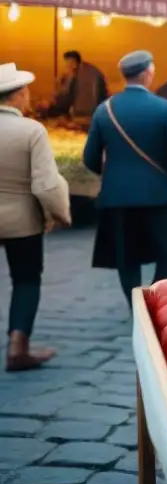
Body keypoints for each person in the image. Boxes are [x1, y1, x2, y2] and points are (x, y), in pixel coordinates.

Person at [83, 51, 167, 307]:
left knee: (127, 258)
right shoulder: (165, 108)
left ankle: (136, 308)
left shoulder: (104, 110)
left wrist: (113, 178)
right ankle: (154, 303)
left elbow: (89, 157)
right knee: (166, 254)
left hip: (117, 197)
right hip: (158, 193)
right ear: (147, 73)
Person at [0, 63, 70, 371]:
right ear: (19, 96)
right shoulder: (32, 131)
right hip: (22, 220)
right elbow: (45, 183)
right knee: (26, 280)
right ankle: (18, 347)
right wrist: (60, 214)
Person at [52, 50, 107, 119]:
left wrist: (59, 88)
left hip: (86, 114)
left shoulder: (85, 76)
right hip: (97, 111)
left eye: (68, 64)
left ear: (73, 62)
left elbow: (67, 96)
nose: (67, 67)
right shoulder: (89, 71)